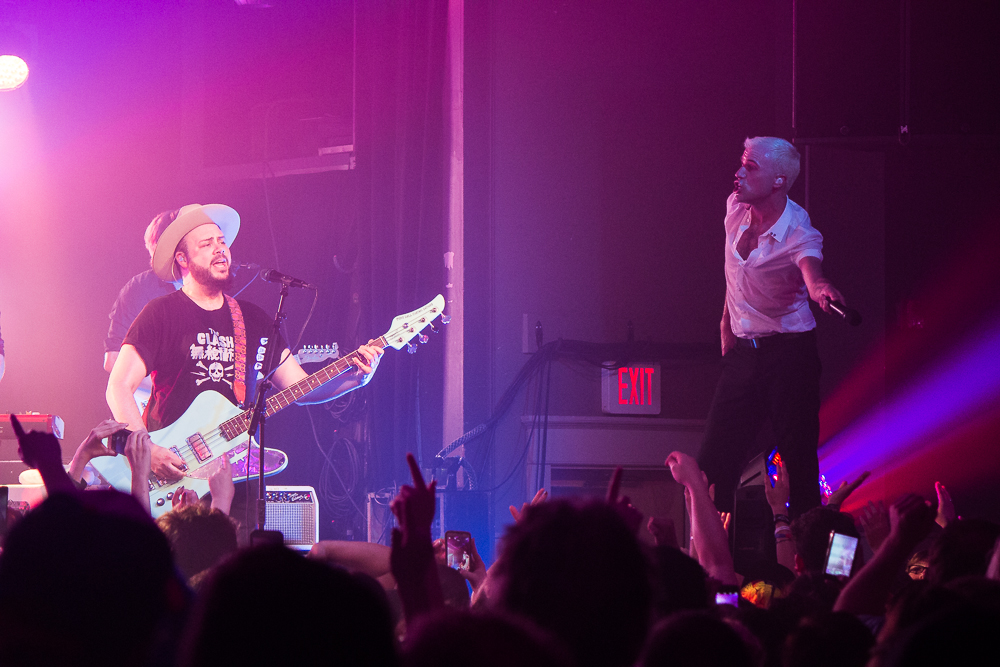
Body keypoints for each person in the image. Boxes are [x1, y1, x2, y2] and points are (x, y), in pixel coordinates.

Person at [105, 203, 382, 504]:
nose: (220, 249)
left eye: (222, 241)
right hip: (174, 470)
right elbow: (118, 386)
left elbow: (300, 388)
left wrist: (357, 380)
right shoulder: (159, 313)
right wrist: (147, 450)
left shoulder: (252, 319)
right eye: (207, 244)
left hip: (233, 476)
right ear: (182, 259)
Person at [698, 136, 847, 516]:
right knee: (711, 466)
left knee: (798, 463)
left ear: (779, 180)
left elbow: (812, 273)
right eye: (741, 164)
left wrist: (821, 287)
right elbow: (736, 277)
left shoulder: (798, 232)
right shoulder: (735, 208)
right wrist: (726, 320)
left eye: (750, 167)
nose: (738, 173)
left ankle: (808, 562)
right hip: (744, 354)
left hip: (789, 355)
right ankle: (711, 562)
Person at [104, 209, 184, 409]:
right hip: (153, 406)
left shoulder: (209, 294)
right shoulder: (140, 289)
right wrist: (168, 390)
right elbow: (113, 361)